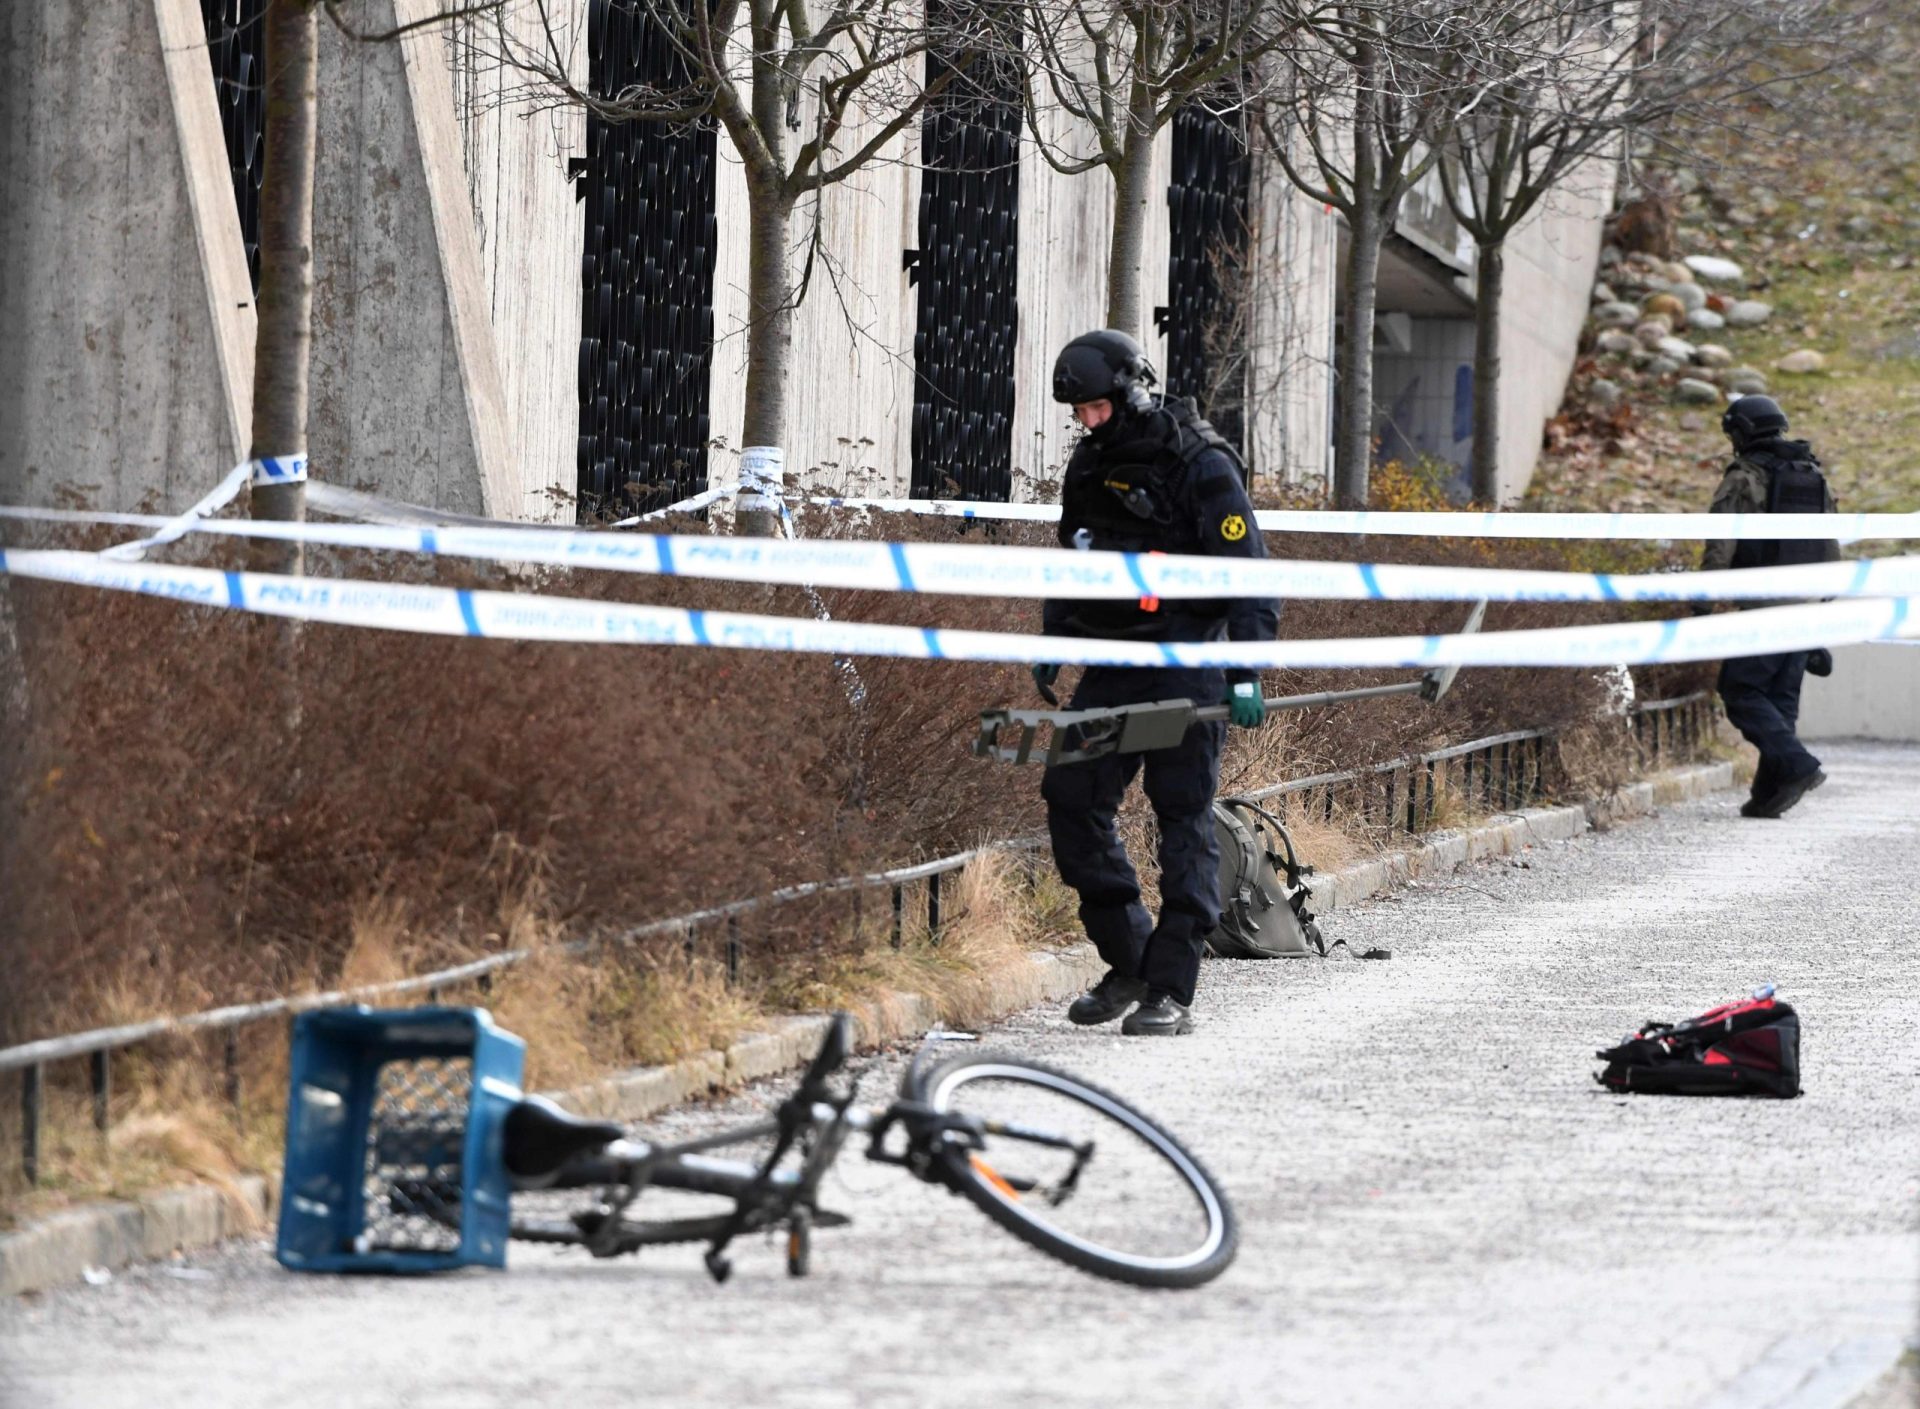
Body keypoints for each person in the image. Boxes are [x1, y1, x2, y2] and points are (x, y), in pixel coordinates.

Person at [1035, 329, 1280, 1037]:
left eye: (1096, 408)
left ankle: (1171, 986)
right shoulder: (1088, 466)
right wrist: (1055, 642)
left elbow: (1249, 574)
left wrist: (1245, 670)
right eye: (1079, 412)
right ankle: (1130, 956)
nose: (1087, 422)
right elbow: (1075, 561)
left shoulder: (1199, 462)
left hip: (1184, 661)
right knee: (1070, 795)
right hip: (1112, 662)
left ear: (1134, 392)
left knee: (1182, 817)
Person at [1701, 394, 1839, 819]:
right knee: (1779, 703)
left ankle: (1799, 767)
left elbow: (1721, 539)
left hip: (1763, 603)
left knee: (1740, 692)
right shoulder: (1812, 475)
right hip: (1806, 603)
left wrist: (1704, 597)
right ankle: (1769, 794)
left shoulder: (1746, 475)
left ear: (1742, 432)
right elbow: (1830, 540)